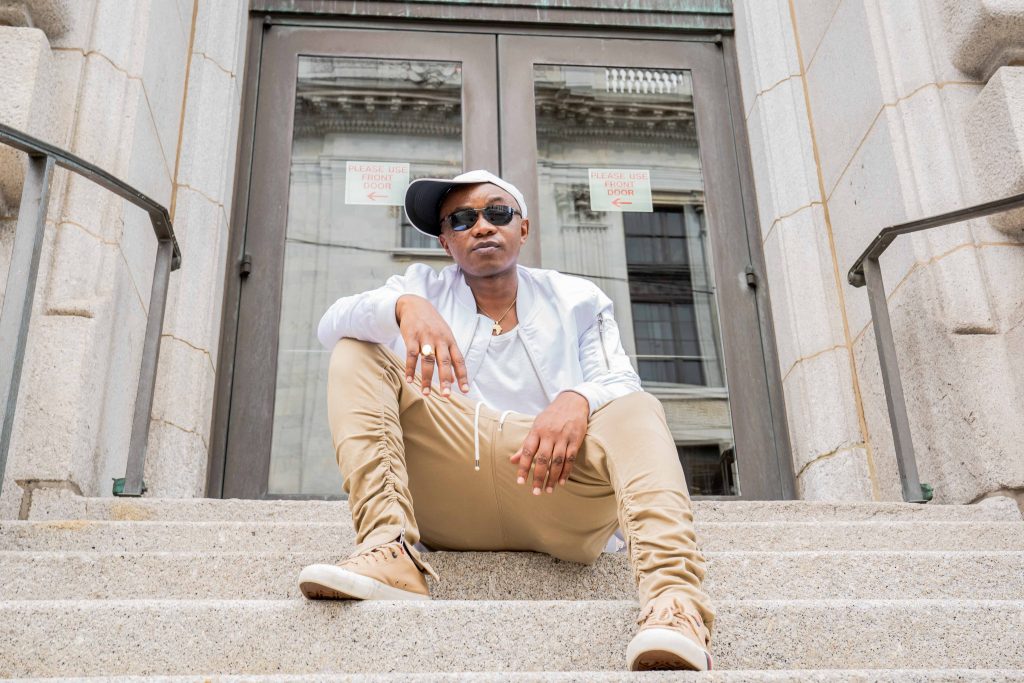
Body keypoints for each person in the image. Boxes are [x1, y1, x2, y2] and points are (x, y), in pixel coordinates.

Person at [298, 169, 714, 671]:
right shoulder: (421, 286)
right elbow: (331, 323)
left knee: (636, 406)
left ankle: (674, 604)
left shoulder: (576, 298)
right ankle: (389, 548)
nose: (481, 226)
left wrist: (578, 398)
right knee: (355, 351)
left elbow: (620, 381)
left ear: (523, 228)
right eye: (461, 220)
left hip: (556, 488)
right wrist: (403, 307)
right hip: (451, 491)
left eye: (498, 213)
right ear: (446, 242)